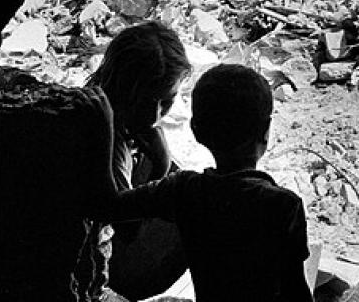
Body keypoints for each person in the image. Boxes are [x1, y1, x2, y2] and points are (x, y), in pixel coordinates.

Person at [84, 63, 318, 302]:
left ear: (196, 130)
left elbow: (110, 206)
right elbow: (295, 289)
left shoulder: (185, 190)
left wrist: (105, 123)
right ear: (267, 131)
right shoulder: (284, 206)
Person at [79, 20, 193, 300]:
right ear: (125, 90)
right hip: (111, 259)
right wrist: (161, 166)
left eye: (167, 102)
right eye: (148, 101)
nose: (156, 116)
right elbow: (126, 227)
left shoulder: (103, 106)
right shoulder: (110, 137)